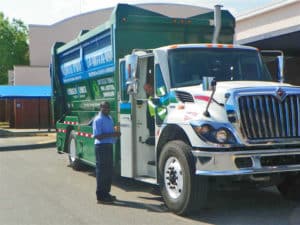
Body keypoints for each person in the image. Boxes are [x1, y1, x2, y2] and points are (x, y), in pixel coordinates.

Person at [92, 101, 120, 204]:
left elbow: (110, 133)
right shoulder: (98, 120)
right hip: (101, 147)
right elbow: (97, 136)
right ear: (100, 108)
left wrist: (116, 134)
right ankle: (100, 196)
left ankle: (106, 193)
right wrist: (112, 134)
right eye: (104, 107)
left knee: (108, 171)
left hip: (108, 146)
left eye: (108, 107)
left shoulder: (110, 118)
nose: (106, 109)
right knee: (101, 172)